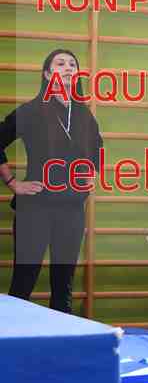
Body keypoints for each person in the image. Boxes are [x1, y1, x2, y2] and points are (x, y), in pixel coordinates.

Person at [0, 49, 103, 314]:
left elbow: (97, 148)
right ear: (47, 74)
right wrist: (12, 182)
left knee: (63, 286)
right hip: (35, 208)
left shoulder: (83, 114)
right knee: (23, 282)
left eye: (72, 64)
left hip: (71, 210)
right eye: (60, 63)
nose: (68, 68)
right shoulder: (31, 111)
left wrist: (91, 173)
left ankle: (61, 337)